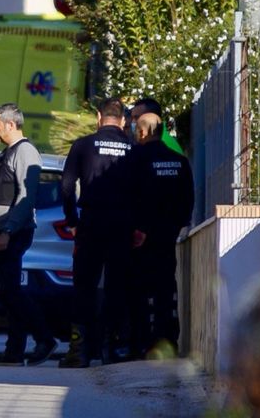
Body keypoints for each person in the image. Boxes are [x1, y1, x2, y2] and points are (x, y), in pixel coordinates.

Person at [59, 98, 135, 368]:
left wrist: (72, 220)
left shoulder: (82, 145)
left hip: (90, 223)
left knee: (84, 286)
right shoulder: (132, 148)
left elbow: (67, 187)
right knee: (117, 286)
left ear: (98, 116)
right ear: (124, 120)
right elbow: (141, 191)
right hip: (122, 225)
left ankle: (80, 351)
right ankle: (111, 349)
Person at [0, 103, 57, 366]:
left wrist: (7, 231)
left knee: (11, 291)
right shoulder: (9, 152)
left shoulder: (25, 152)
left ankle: (44, 338)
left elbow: (26, 198)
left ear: (11, 125)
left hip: (15, 231)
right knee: (7, 291)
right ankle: (14, 351)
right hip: (4, 231)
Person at [126, 113, 194, 359]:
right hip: (168, 236)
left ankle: (141, 342)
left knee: (139, 291)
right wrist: (178, 226)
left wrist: (138, 228)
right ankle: (167, 341)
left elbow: (132, 197)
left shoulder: (135, 158)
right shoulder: (179, 160)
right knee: (166, 288)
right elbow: (188, 199)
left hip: (140, 237)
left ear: (143, 132)